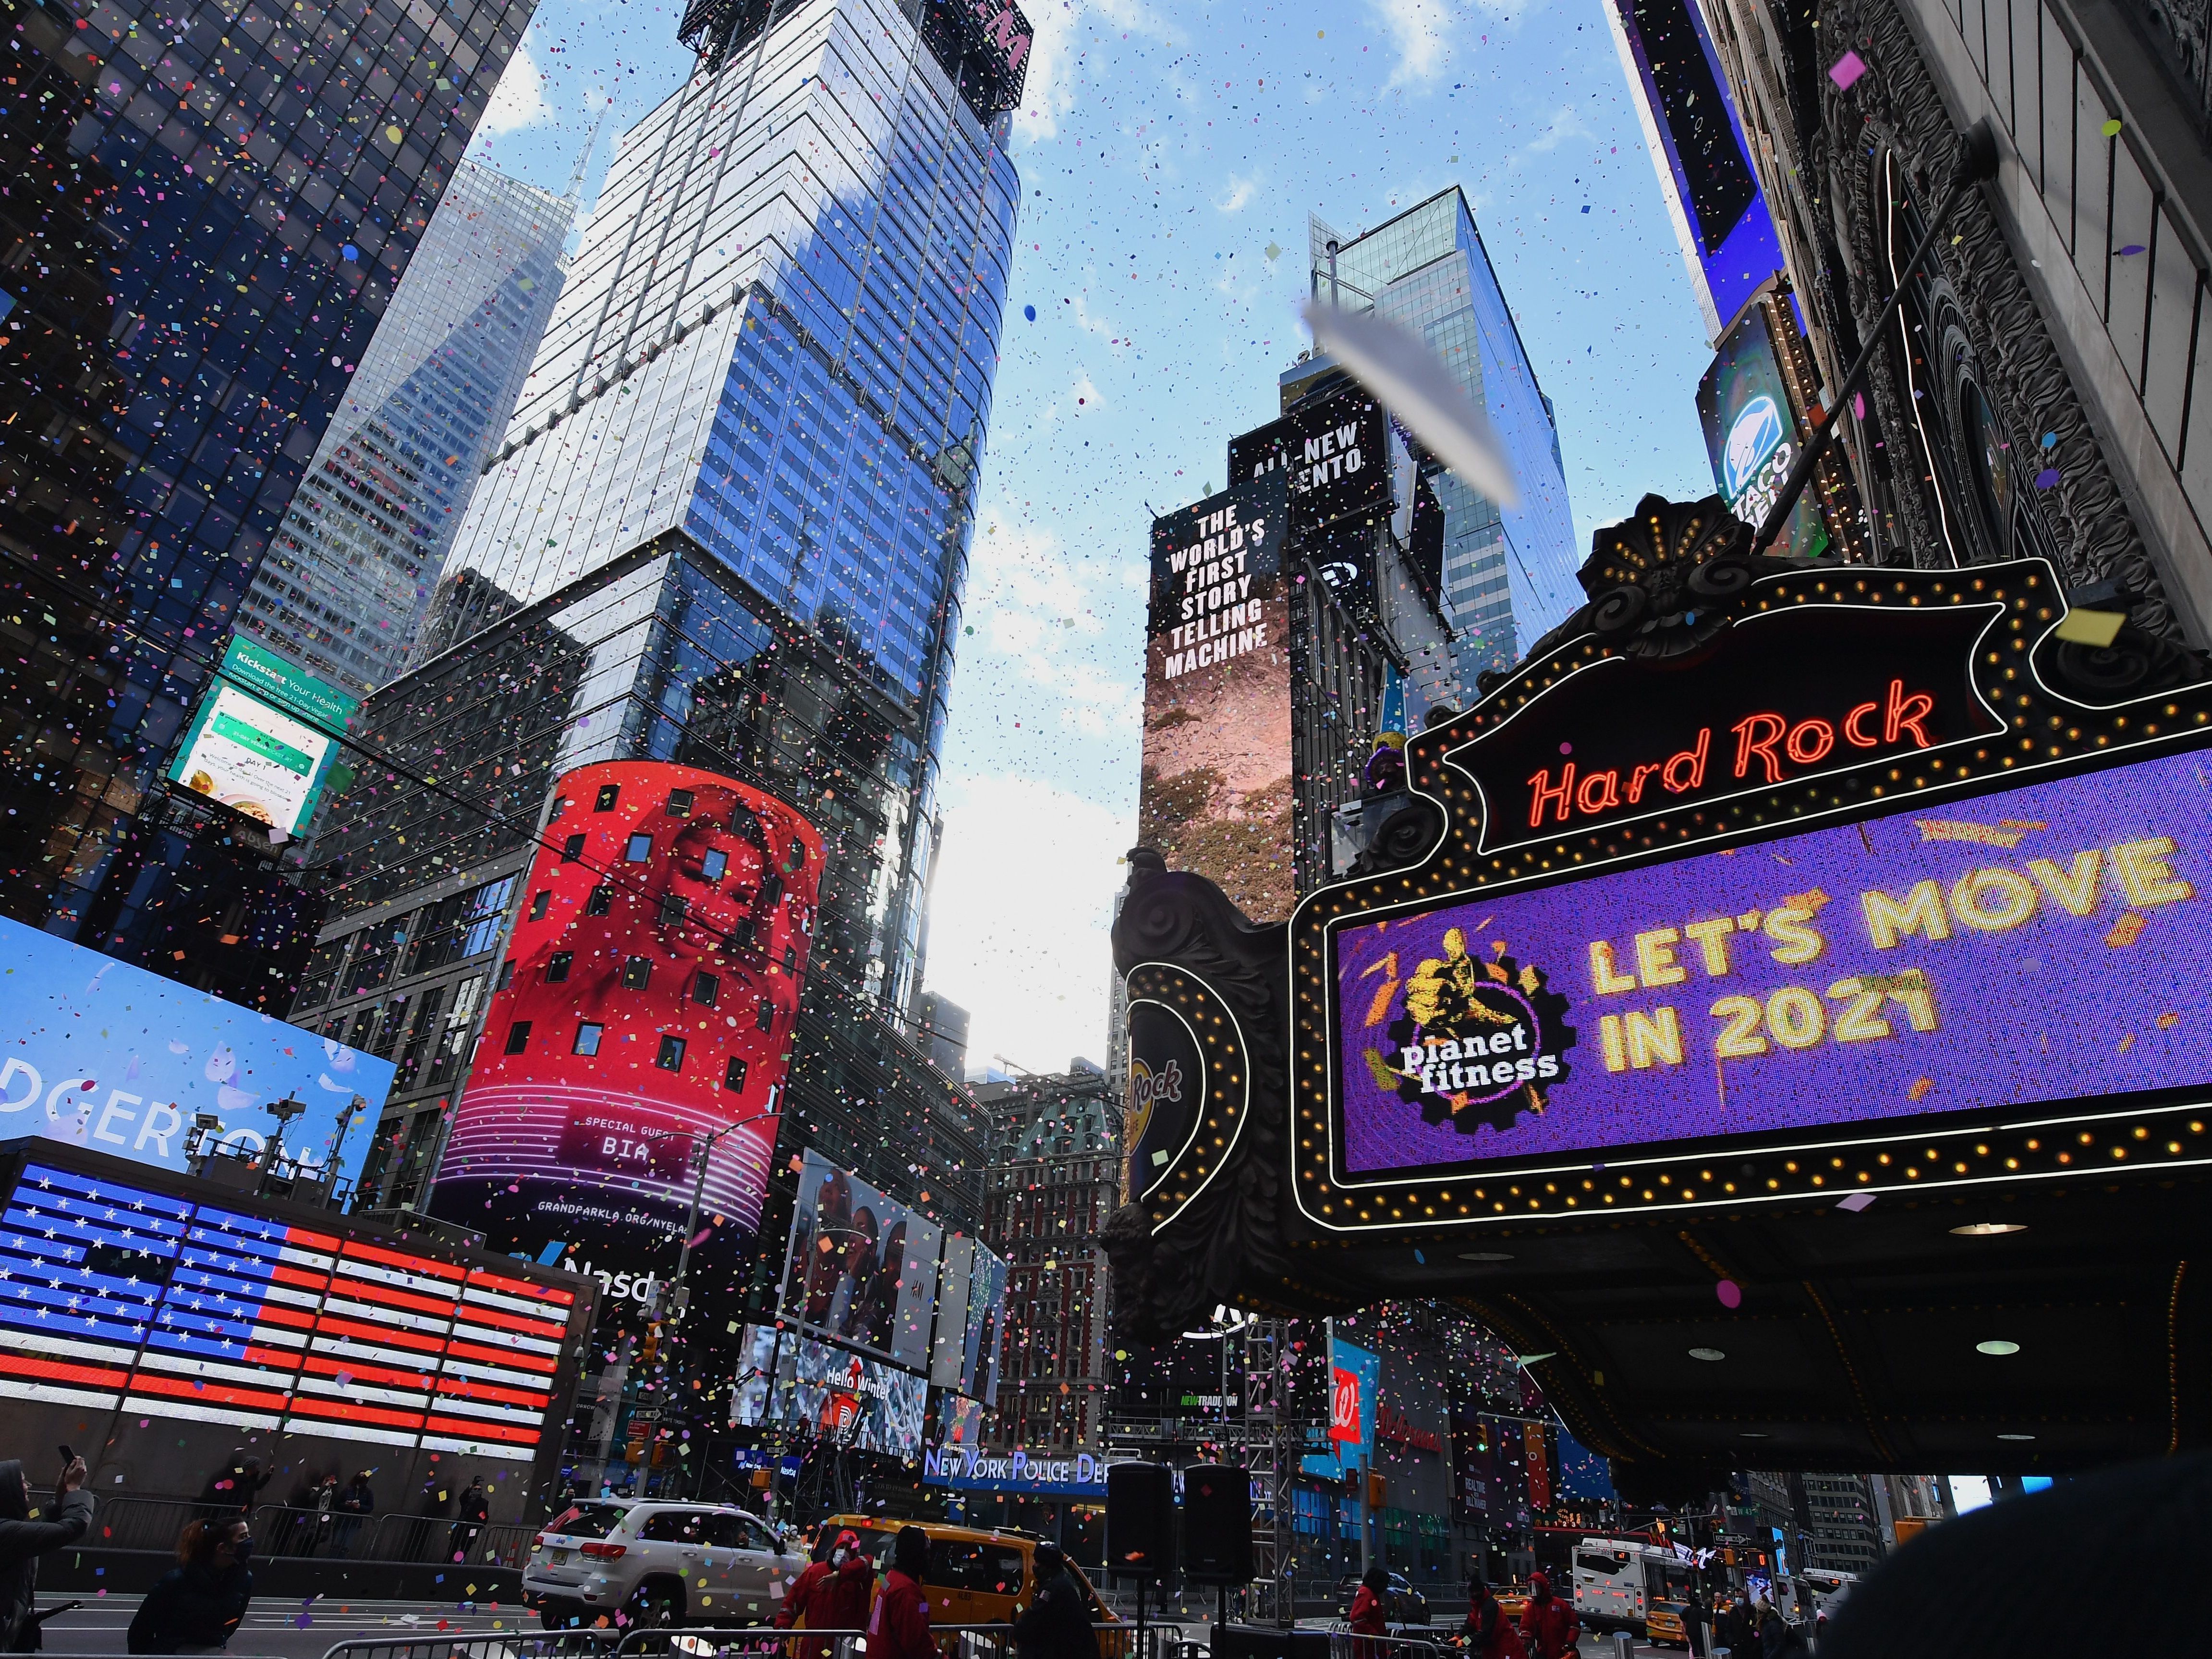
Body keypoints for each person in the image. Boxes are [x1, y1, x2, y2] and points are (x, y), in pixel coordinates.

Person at [0, 1455, 91, 1651]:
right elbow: (73, 1527)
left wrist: (62, 1496)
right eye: (22, 1481)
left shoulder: (8, 1531)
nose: (28, 1486)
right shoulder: (6, 1533)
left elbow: (41, 1534)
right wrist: (75, 1489)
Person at [127, 1518, 253, 1654]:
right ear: (222, 1548)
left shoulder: (243, 1580)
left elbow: (231, 1625)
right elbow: (140, 1630)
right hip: (170, 1651)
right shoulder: (177, 1580)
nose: (249, 1541)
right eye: (243, 1537)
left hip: (212, 1650)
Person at [782, 1529, 873, 1659]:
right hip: (813, 1646)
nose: (844, 1553)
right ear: (834, 1549)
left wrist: (840, 1575)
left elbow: (869, 1561)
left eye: (849, 1550)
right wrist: (782, 1628)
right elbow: (793, 1602)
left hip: (842, 1649)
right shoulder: (815, 1572)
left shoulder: (857, 1581)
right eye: (842, 1547)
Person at [1014, 1539, 1098, 1659]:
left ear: (1048, 1565)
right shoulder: (1062, 1581)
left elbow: (1033, 1617)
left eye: (1038, 1562)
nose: (1035, 1566)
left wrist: (1020, 1629)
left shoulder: (1054, 1588)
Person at [866, 1525, 933, 1659]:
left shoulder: (891, 1578)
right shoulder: (905, 1591)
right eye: (925, 1553)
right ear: (915, 1555)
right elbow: (918, 1645)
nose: (929, 1558)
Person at [1458, 1577, 1525, 1659]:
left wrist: (1464, 1641)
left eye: (1475, 1592)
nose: (1474, 1595)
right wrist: (1459, 1636)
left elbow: (1485, 1634)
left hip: (1506, 1650)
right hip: (1496, 1650)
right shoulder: (1478, 1605)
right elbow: (1470, 1623)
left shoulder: (1489, 1606)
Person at [1519, 1570, 1577, 1659]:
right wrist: (1526, 1639)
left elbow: (1574, 1625)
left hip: (1563, 1652)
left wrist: (1569, 1643)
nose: (1534, 1592)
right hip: (1543, 1653)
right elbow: (1525, 1627)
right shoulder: (1531, 1609)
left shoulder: (1560, 1605)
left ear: (1543, 1587)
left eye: (1536, 1588)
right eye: (1531, 1589)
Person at [192, 1455, 266, 1524]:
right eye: (256, 1466)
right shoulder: (239, 1478)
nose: (258, 1468)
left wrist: (267, 1476)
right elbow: (234, 1494)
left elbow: (257, 1486)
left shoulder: (249, 1479)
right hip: (234, 1509)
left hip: (242, 1509)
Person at [446, 1475, 489, 1563]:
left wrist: (479, 1526)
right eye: (475, 1489)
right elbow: (462, 1497)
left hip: (471, 1529)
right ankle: (446, 1565)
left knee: (464, 1551)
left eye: (479, 1490)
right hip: (461, 1528)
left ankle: (458, 1568)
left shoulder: (483, 1502)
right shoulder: (467, 1500)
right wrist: (473, 1484)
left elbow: (485, 1517)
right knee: (452, 1550)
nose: (477, 1491)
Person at [331, 1472, 373, 1559]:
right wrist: (347, 1504)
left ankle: (340, 1564)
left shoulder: (368, 1492)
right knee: (336, 1544)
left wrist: (360, 1507)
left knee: (346, 1546)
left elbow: (370, 1507)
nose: (361, 1478)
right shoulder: (348, 1490)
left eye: (364, 1476)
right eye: (360, 1475)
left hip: (355, 1522)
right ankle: (332, 1562)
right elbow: (337, 1505)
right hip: (342, 1520)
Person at [1684, 1586, 1709, 1659]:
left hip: (1691, 1631)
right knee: (1700, 1646)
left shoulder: (1688, 1610)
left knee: (1694, 1646)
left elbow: (1682, 1617)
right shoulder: (1699, 1610)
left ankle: (1696, 1657)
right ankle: (1701, 1656)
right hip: (1698, 1631)